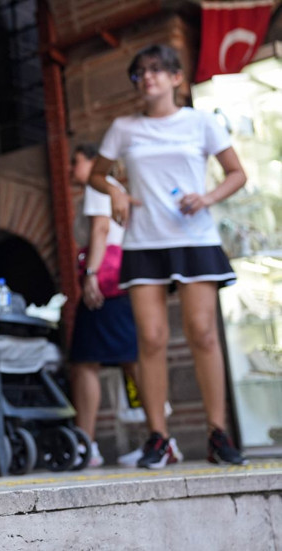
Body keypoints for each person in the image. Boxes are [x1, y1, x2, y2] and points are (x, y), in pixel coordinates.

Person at [89, 44, 247, 469]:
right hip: (144, 242)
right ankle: (158, 438)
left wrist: (208, 196)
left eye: (157, 70)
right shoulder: (123, 128)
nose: (148, 78)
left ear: (177, 78)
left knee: (203, 332)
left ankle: (218, 434)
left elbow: (237, 173)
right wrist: (118, 192)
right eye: (140, 72)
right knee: (152, 339)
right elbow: (95, 174)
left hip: (195, 239)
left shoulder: (202, 123)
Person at [68, 143, 138, 468]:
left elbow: (100, 229)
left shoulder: (100, 185)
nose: (71, 169)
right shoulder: (118, 188)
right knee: (130, 357)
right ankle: (159, 436)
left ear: (95, 162)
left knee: (85, 361)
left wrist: (91, 275)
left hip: (104, 282)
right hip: (122, 279)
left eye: (76, 162)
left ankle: (86, 444)